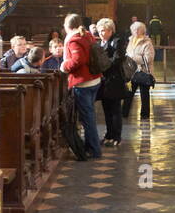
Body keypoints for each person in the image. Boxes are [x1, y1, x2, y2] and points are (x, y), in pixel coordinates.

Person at [60, 13, 102, 159]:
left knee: (87, 118)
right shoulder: (87, 35)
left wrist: (64, 66)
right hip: (94, 79)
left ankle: (94, 150)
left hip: (83, 82)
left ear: (67, 26)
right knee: (89, 116)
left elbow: (78, 60)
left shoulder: (74, 39)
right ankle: (91, 146)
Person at [94, 17, 128, 146]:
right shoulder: (99, 43)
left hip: (114, 79)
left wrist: (103, 67)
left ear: (111, 30)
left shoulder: (117, 41)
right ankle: (109, 134)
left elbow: (118, 59)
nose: (103, 33)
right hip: (104, 80)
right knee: (106, 109)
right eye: (101, 30)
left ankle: (116, 136)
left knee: (115, 110)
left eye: (106, 30)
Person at [125, 20, 155, 120]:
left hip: (143, 72)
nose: (136, 31)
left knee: (144, 94)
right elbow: (127, 54)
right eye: (134, 29)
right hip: (131, 72)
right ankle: (124, 112)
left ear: (143, 31)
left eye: (138, 29)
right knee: (128, 93)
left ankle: (145, 115)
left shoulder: (147, 42)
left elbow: (148, 58)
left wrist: (133, 57)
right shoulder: (130, 41)